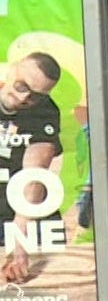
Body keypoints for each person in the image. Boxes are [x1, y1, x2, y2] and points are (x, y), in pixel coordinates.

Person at [0, 52, 64, 285]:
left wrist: (19, 248)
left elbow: (33, 178)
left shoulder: (44, 111)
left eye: (36, 95)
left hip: (22, 216)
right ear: (11, 69)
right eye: (21, 86)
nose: (24, 97)